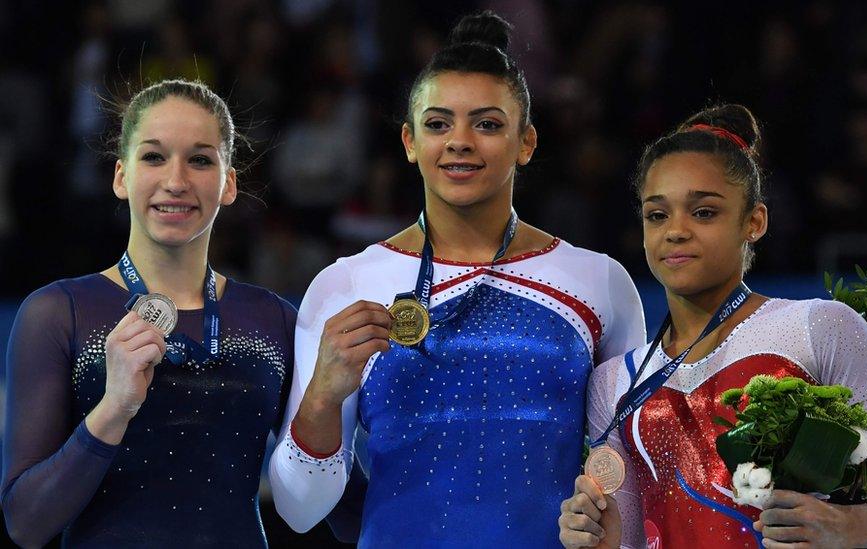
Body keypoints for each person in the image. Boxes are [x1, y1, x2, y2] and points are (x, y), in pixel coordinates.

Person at [268, 11, 646, 548]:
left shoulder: (599, 282)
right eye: (438, 123)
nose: (460, 141)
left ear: (527, 142)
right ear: (408, 140)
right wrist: (323, 397)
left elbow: (629, 473)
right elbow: (299, 508)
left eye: (488, 124)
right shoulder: (345, 285)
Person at [557, 104, 867, 548]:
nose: (675, 231)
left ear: (754, 222)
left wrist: (848, 527)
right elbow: (631, 541)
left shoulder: (817, 329)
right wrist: (597, 536)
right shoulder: (614, 384)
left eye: (704, 212)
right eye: (658, 215)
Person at [1, 79, 297, 547]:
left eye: (200, 159)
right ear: (121, 176)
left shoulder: (274, 320)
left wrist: (330, 397)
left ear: (229, 183)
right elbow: (26, 523)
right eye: (154, 157)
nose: (175, 181)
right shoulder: (58, 314)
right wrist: (113, 409)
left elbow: (330, 508)